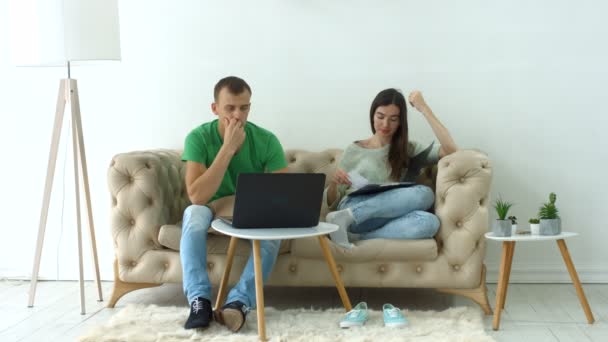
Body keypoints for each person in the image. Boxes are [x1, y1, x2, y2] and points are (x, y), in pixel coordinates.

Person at [180, 76, 288, 331]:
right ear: (215, 108)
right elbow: (197, 196)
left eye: (244, 107)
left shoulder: (266, 140)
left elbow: (284, 194)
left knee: (274, 233)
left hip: (248, 209)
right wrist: (227, 149)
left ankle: (238, 303)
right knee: (193, 213)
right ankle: (199, 300)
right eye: (230, 108)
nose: (238, 115)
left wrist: (238, 202)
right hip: (209, 209)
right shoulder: (198, 138)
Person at [324, 88, 458, 248]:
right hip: (354, 212)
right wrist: (334, 184)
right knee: (425, 193)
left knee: (430, 221)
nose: (385, 124)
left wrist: (424, 108)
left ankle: (357, 237)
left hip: (389, 217)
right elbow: (334, 202)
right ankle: (349, 219)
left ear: (401, 122)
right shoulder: (354, 150)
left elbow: (451, 149)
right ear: (372, 115)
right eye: (380, 117)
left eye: (393, 119)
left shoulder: (409, 149)